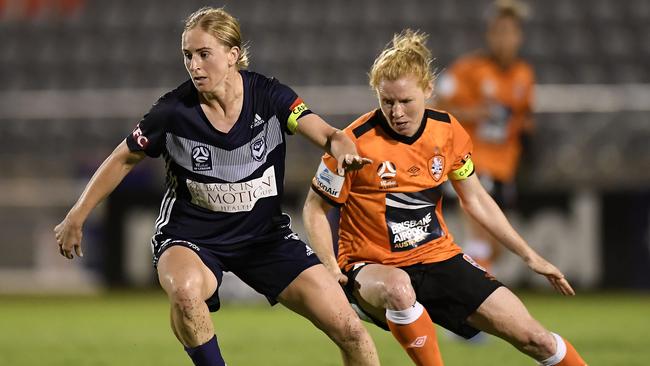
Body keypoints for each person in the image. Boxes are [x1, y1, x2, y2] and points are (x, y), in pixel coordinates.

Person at [54, 7, 378, 366]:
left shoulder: (270, 96)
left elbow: (326, 133)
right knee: (186, 293)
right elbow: (123, 157)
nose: (194, 65)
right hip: (193, 237)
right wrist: (77, 215)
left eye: (204, 54)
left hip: (264, 238)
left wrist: (341, 144)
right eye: (187, 56)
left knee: (351, 331)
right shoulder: (172, 111)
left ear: (232, 55)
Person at [303, 29, 587, 366]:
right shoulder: (352, 142)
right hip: (372, 267)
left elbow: (476, 199)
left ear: (428, 90)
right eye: (387, 101)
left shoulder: (448, 131)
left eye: (405, 101)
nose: (396, 112)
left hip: (438, 258)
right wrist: (332, 270)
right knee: (398, 289)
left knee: (535, 338)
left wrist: (529, 256)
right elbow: (314, 209)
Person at [434, 0, 535, 271]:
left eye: (510, 33)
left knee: (495, 248)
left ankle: (462, 272)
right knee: (480, 235)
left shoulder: (524, 74)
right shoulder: (468, 69)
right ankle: (473, 296)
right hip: (473, 163)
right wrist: (473, 112)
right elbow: (438, 107)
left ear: (519, 37)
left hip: (505, 166)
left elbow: (524, 115)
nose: (504, 40)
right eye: (499, 32)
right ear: (490, 35)